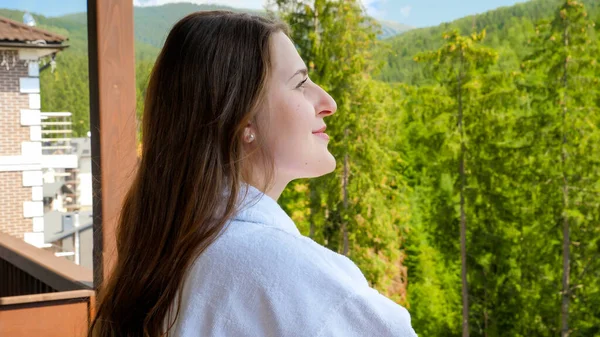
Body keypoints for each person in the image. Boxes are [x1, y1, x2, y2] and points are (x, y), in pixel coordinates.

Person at [89, 10, 417, 337]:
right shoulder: (280, 272)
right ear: (243, 119)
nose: (327, 102)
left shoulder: (173, 254)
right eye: (300, 83)